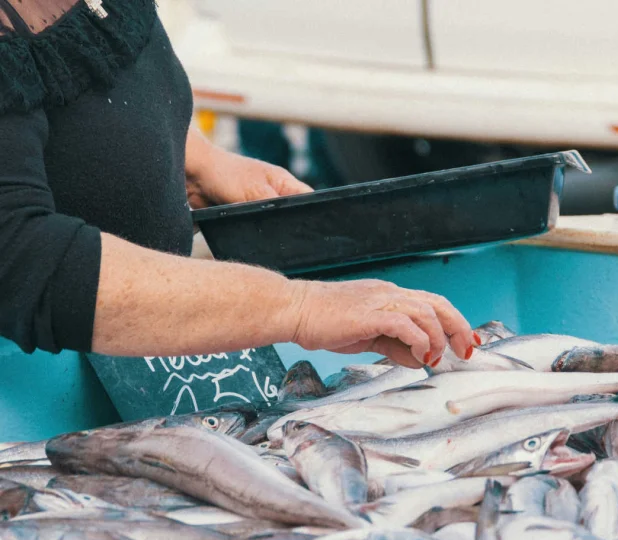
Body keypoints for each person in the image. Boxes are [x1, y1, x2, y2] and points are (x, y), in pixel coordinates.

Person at [0, 0, 479, 372]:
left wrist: (200, 161)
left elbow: (96, 94)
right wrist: (301, 308)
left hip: (127, 369)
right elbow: (25, 261)